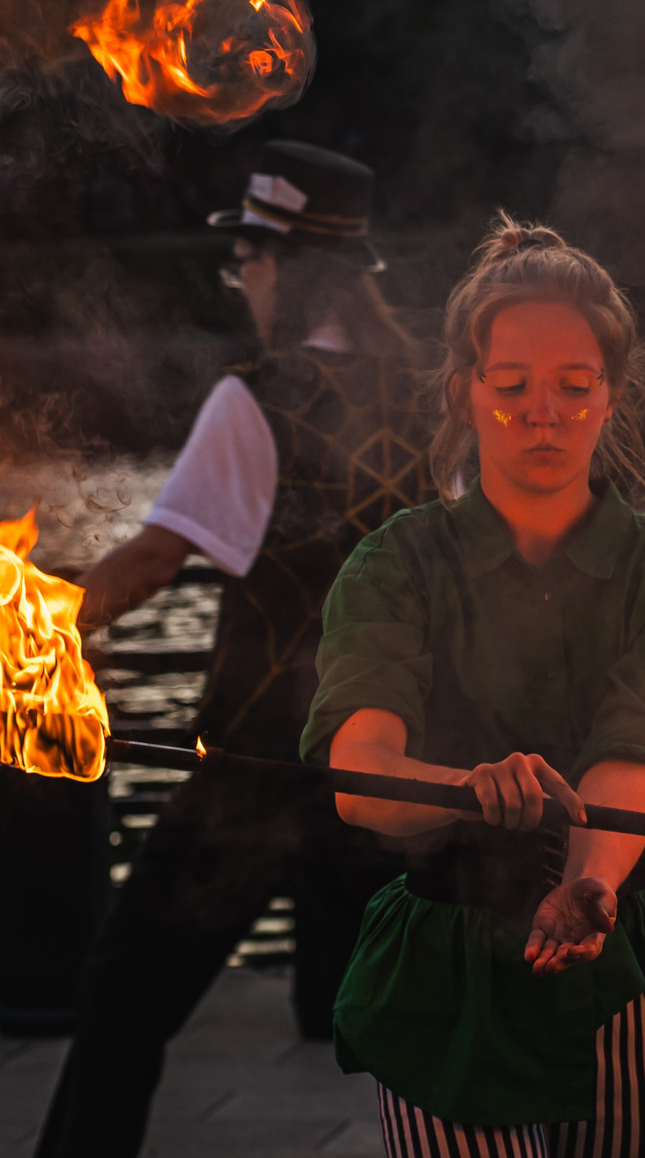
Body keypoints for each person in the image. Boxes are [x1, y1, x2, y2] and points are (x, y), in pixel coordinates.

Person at [303, 217, 645, 1155]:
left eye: (574, 387)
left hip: (616, 958)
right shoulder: (397, 566)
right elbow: (359, 770)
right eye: (511, 387)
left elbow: (641, 753)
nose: (543, 413)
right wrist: (461, 789)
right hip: (446, 966)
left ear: (612, 398)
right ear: (464, 393)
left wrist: (587, 884)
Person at [35, 141, 431, 1158]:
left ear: (287, 267)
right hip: (391, 776)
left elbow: (157, 556)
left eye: (249, 259)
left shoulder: (253, 398)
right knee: (429, 1036)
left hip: (255, 774)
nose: (243, 280)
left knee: (122, 993)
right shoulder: (436, 398)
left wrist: (30, 631)